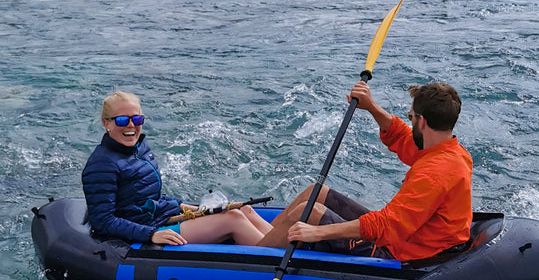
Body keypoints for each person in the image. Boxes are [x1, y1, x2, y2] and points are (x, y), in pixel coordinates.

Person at [258, 81, 472, 262]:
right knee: (316, 192)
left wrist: (318, 232)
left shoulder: (434, 174)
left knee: (308, 214)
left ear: (422, 121)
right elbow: (403, 138)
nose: (410, 120)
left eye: (411, 117)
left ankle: (250, 255)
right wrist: (371, 107)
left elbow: (387, 226)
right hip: (409, 235)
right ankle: (262, 240)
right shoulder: (450, 151)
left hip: (400, 251)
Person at [83, 91, 272, 246]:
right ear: (106, 123)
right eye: (123, 120)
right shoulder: (101, 165)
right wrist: (150, 235)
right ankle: (281, 262)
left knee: (244, 211)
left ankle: (290, 247)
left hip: (161, 217)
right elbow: (103, 221)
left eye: (137, 119)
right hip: (148, 229)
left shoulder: (139, 149)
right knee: (232, 219)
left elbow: (148, 196)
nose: (132, 125)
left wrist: (180, 204)